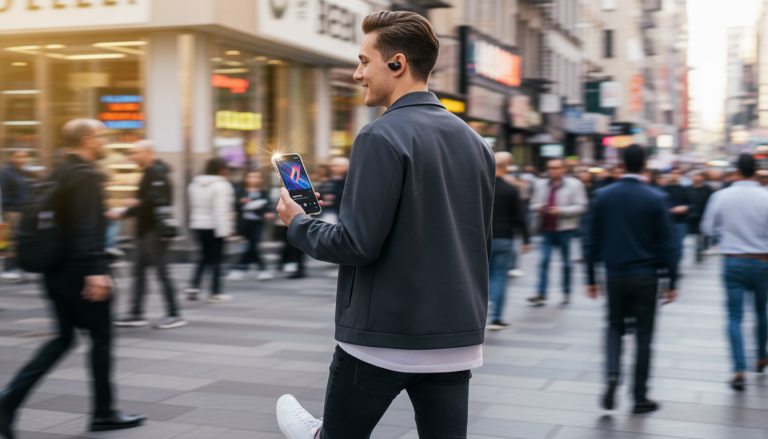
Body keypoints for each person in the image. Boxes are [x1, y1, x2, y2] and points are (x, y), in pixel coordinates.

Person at [273, 11, 495, 439]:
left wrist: (297, 223)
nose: (357, 74)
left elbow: (357, 244)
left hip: (382, 339)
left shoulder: (380, 135)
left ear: (397, 64)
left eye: (363, 61)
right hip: (454, 339)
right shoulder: (476, 143)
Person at [0, 119, 146, 439]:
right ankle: (103, 414)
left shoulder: (57, 171)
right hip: (81, 272)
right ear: (87, 140)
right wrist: (96, 270)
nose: (105, 141)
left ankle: (8, 403)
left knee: (63, 338)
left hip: (54, 270)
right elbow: (86, 226)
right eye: (101, 136)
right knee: (101, 339)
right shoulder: (84, 175)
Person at [586, 144, 678, 414]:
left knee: (614, 326)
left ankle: (613, 373)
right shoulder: (656, 197)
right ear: (645, 164)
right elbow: (668, 244)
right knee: (644, 336)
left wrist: (591, 277)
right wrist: (671, 281)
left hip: (614, 275)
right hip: (646, 277)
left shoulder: (603, 195)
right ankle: (639, 396)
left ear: (622, 164)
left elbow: (591, 239)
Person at [701, 154, 768, 391]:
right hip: (762, 262)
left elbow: (707, 228)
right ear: (756, 171)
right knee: (762, 311)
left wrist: (726, 233)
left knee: (734, 316)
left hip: (733, 262)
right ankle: (761, 357)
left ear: (737, 170)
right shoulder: (766, 196)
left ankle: (739, 368)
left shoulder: (721, 196)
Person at [111, 141, 186, 329]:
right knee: (138, 273)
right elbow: (148, 201)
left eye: (135, 153)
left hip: (154, 233)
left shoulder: (156, 172)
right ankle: (135, 313)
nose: (132, 157)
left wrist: (133, 205)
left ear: (147, 152)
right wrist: (127, 211)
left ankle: (174, 314)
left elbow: (157, 200)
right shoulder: (150, 171)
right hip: (145, 232)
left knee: (162, 273)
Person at [529, 158, 588, 306]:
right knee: (544, 261)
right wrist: (538, 207)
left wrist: (561, 211)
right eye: (550, 168)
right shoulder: (540, 184)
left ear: (564, 169)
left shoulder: (575, 185)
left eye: (556, 168)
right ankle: (541, 293)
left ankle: (566, 292)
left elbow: (582, 206)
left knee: (566, 263)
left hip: (565, 230)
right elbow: (532, 204)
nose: (552, 171)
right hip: (546, 229)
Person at [489, 152, 530, 330]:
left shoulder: (481, 186)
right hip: (505, 238)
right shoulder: (511, 189)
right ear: (507, 167)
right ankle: (496, 318)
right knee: (499, 277)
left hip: (483, 239)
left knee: (483, 277)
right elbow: (519, 217)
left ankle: (483, 308)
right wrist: (526, 239)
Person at [186, 157, 235, 303]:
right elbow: (221, 211)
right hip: (215, 226)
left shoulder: (194, 184)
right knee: (216, 259)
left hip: (198, 225)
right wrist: (225, 231)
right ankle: (215, 292)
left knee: (204, 257)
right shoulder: (222, 185)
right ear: (221, 169)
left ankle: (194, 286)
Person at [228, 170, 275, 281]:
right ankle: (255, 269)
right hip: (244, 223)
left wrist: (268, 213)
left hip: (258, 222)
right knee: (250, 246)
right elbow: (234, 206)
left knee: (253, 244)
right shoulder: (240, 191)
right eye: (251, 177)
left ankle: (241, 268)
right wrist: (241, 202)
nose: (254, 179)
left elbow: (268, 206)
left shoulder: (263, 192)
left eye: (257, 177)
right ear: (246, 179)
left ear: (261, 179)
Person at [0, 150, 31, 282]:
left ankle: (16, 268)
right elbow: (5, 194)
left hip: (21, 211)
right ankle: (9, 270)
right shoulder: (6, 172)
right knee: (12, 241)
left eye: (24, 156)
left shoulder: (21, 173)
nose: (22, 159)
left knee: (19, 241)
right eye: (19, 156)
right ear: (12, 157)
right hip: (11, 211)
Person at [662, 168, 692, 264]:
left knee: (678, 244)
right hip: (666, 221)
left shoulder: (685, 189)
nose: (675, 175)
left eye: (677, 173)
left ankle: (676, 264)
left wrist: (685, 208)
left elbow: (691, 203)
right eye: (673, 173)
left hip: (680, 221)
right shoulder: (664, 189)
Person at [687, 172, 713, 263]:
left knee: (703, 234)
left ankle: (702, 249)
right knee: (695, 235)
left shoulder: (707, 189)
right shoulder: (688, 189)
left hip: (704, 214)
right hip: (692, 215)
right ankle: (698, 250)